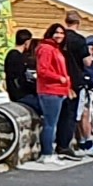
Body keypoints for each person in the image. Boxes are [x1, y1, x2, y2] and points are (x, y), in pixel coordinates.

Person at [30, 19, 80, 166]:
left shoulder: (54, 48)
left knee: (53, 123)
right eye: (56, 32)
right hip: (50, 90)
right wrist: (61, 79)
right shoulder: (46, 48)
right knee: (50, 124)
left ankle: (48, 152)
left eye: (61, 33)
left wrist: (66, 86)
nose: (59, 35)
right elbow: (43, 71)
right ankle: (47, 154)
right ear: (50, 34)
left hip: (58, 90)